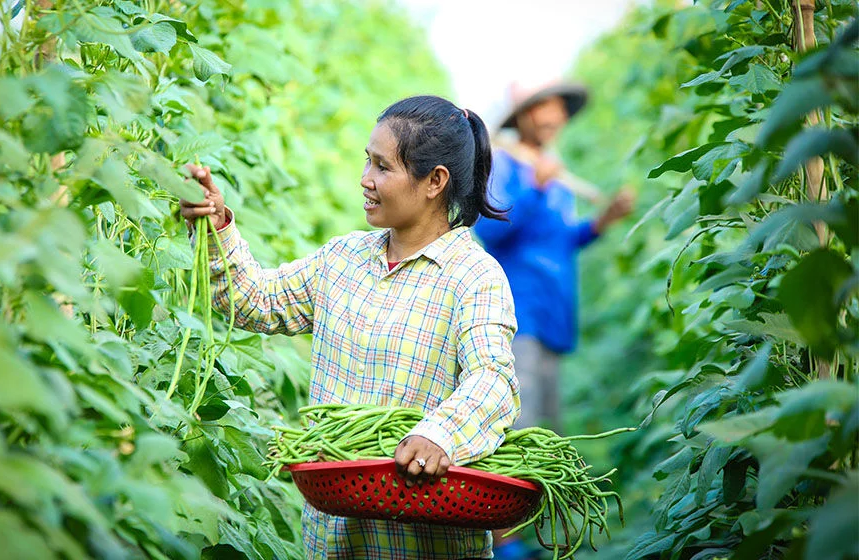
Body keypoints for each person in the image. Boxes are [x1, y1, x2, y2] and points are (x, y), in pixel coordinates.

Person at [180, 95, 521, 560]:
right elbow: (255, 300)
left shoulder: (474, 277)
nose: (365, 180)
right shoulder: (343, 259)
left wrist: (439, 435)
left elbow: (493, 380)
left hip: (425, 539)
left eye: (383, 167)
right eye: (368, 161)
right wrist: (216, 226)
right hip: (333, 535)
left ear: (434, 182)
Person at [475, 83, 632, 560]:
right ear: (521, 116)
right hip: (519, 313)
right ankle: (503, 541)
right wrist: (535, 185)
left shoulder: (551, 167)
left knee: (545, 431)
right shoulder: (505, 164)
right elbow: (492, 229)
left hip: (552, 314)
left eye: (557, 108)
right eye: (540, 107)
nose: (551, 115)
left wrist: (600, 223)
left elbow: (558, 239)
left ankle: (530, 536)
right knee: (517, 428)